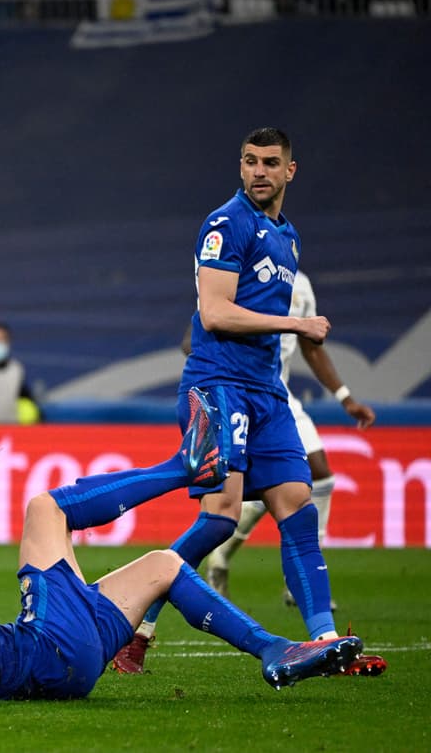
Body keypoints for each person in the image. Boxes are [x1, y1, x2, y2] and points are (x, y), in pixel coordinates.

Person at [0, 415, 371, 700]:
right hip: (44, 649)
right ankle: (184, 467)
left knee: (164, 565)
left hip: (67, 668)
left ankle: (275, 649)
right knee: (45, 508)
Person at [111, 128, 384, 676]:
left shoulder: (289, 237)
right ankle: (132, 628)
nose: (259, 171)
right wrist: (295, 323)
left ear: (290, 171)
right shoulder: (224, 224)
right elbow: (214, 313)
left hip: (267, 394)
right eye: (250, 161)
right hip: (217, 386)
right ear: (240, 167)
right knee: (220, 519)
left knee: (299, 513)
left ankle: (326, 646)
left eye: (271, 162)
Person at [205, 269, 377, 603]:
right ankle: (220, 559)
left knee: (318, 476)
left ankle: (295, 576)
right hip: (241, 392)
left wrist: (346, 398)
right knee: (258, 487)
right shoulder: (235, 275)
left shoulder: (299, 284)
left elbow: (312, 348)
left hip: (279, 395)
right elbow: (196, 334)